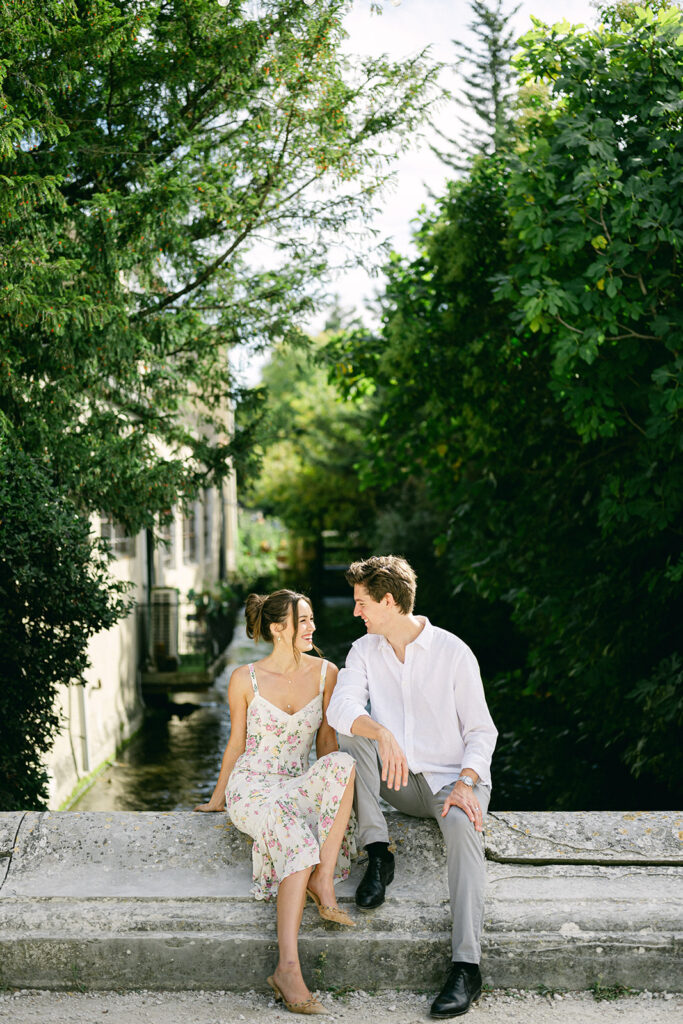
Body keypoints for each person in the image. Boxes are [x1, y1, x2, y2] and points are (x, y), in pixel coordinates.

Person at [326, 556, 497, 1020]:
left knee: (463, 828)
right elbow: (340, 708)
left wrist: (466, 783)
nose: (356, 612)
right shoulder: (364, 652)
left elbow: (482, 733)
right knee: (351, 736)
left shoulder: (452, 652)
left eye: (362, 603)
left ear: (388, 600)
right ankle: (379, 852)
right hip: (399, 782)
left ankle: (467, 967)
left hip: (451, 781)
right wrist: (381, 733)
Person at [195, 589, 356, 1016]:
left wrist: (333, 799)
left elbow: (327, 745)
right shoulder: (243, 678)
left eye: (311, 619)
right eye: (302, 620)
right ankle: (287, 968)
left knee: (344, 764)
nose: (312, 627)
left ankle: (324, 877)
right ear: (276, 628)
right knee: (296, 843)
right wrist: (217, 799)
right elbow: (234, 745)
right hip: (253, 787)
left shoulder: (327, 673)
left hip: (295, 780)